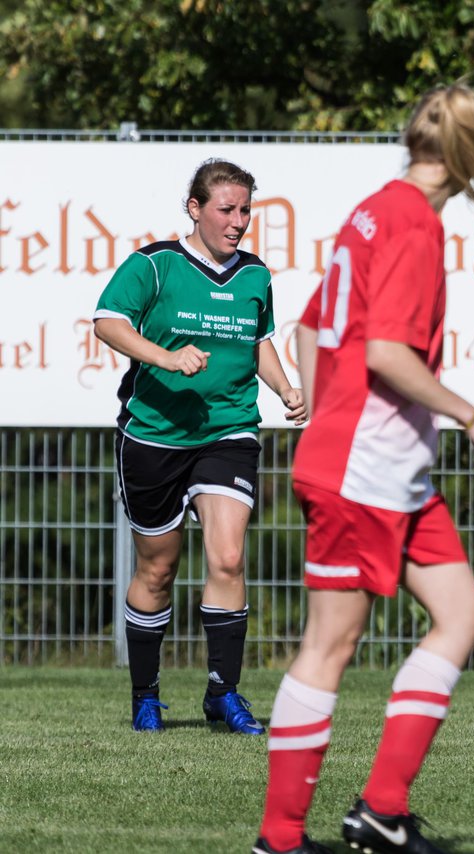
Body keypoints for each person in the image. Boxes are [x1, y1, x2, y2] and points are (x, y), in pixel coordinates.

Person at [254, 83, 474, 854]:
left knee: (463, 613)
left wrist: (313, 400)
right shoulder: (411, 223)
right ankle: (278, 840)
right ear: (472, 152)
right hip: (361, 469)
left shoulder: (372, 208)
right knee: (330, 643)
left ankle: (380, 812)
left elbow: (311, 325)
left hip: (388, 467)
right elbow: (386, 354)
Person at [94, 159, 307, 735]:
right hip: (155, 434)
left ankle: (224, 692)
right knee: (158, 567)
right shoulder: (155, 265)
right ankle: (145, 694)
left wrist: (286, 387)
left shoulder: (255, 275)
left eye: (245, 211)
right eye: (226, 210)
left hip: (229, 429)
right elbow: (107, 322)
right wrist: (165, 357)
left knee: (229, 556)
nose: (238, 222)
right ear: (195, 209)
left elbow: (256, 339)